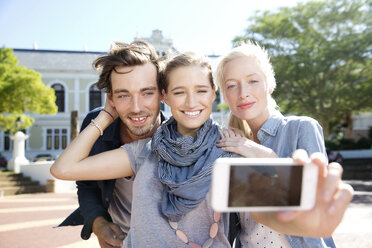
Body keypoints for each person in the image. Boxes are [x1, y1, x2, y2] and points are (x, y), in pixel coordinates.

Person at [52, 51, 351, 247]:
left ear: (212, 96)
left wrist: (304, 223)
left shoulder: (228, 147)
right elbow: (64, 169)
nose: (191, 102)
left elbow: (260, 211)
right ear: (165, 96)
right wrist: (105, 115)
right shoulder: (145, 149)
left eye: (201, 91)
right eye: (180, 92)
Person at [215, 41, 354, 247]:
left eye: (253, 81)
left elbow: (310, 199)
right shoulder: (231, 145)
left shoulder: (301, 128)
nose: (243, 92)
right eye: (232, 85)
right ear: (225, 95)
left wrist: (260, 153)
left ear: (270, 84)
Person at [58, 40, 166, 248]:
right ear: (111, 98)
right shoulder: (97, 125)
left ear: (162, 94)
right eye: (124, 95)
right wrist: (99, 223)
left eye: (147, 93)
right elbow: (86, 184)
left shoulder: (179, 135)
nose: (136, 108)